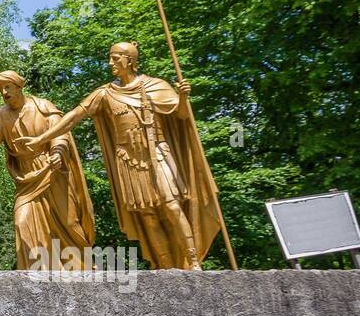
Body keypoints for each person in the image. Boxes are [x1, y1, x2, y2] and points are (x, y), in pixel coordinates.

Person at [18, 42, 221, 270]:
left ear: (130, 60)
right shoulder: (105, 93)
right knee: (148, 216)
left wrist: (183, 97)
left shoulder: (155, 86)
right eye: (110, 58)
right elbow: (74, 116)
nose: (111, 63)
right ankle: (165, 268)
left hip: (157, 153)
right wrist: (41, 138)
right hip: (128, 160)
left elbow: (182, 115)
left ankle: (192, 262)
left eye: (115, 58)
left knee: (171, 206)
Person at [0, 70, 95, 270]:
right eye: (1, 88)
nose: (4, 92)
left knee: (69, 223)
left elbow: (60, 133)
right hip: (26, 180)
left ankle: (80, 267)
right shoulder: (1, 115)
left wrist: (57, 153)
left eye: (8, 87)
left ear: (18, 86)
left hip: (53, 170)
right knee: (22, 223)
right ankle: (35, 275)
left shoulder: (43, 107)